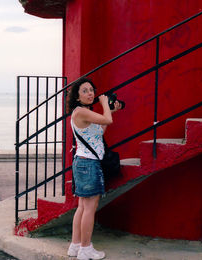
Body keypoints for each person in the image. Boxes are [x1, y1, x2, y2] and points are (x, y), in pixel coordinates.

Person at [66, 77, 121, 260]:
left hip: (83, 162)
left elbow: (99, 133)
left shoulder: (83, 113)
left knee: (82, 206)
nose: (90, 93)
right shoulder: (81, 112)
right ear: (77, 97)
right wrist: (105, 104)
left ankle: (75, 246)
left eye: (91, 89)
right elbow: (108, 120)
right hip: (88, 164)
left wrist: (110, 110)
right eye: (85, 91)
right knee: (89, 208)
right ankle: (85, 249)